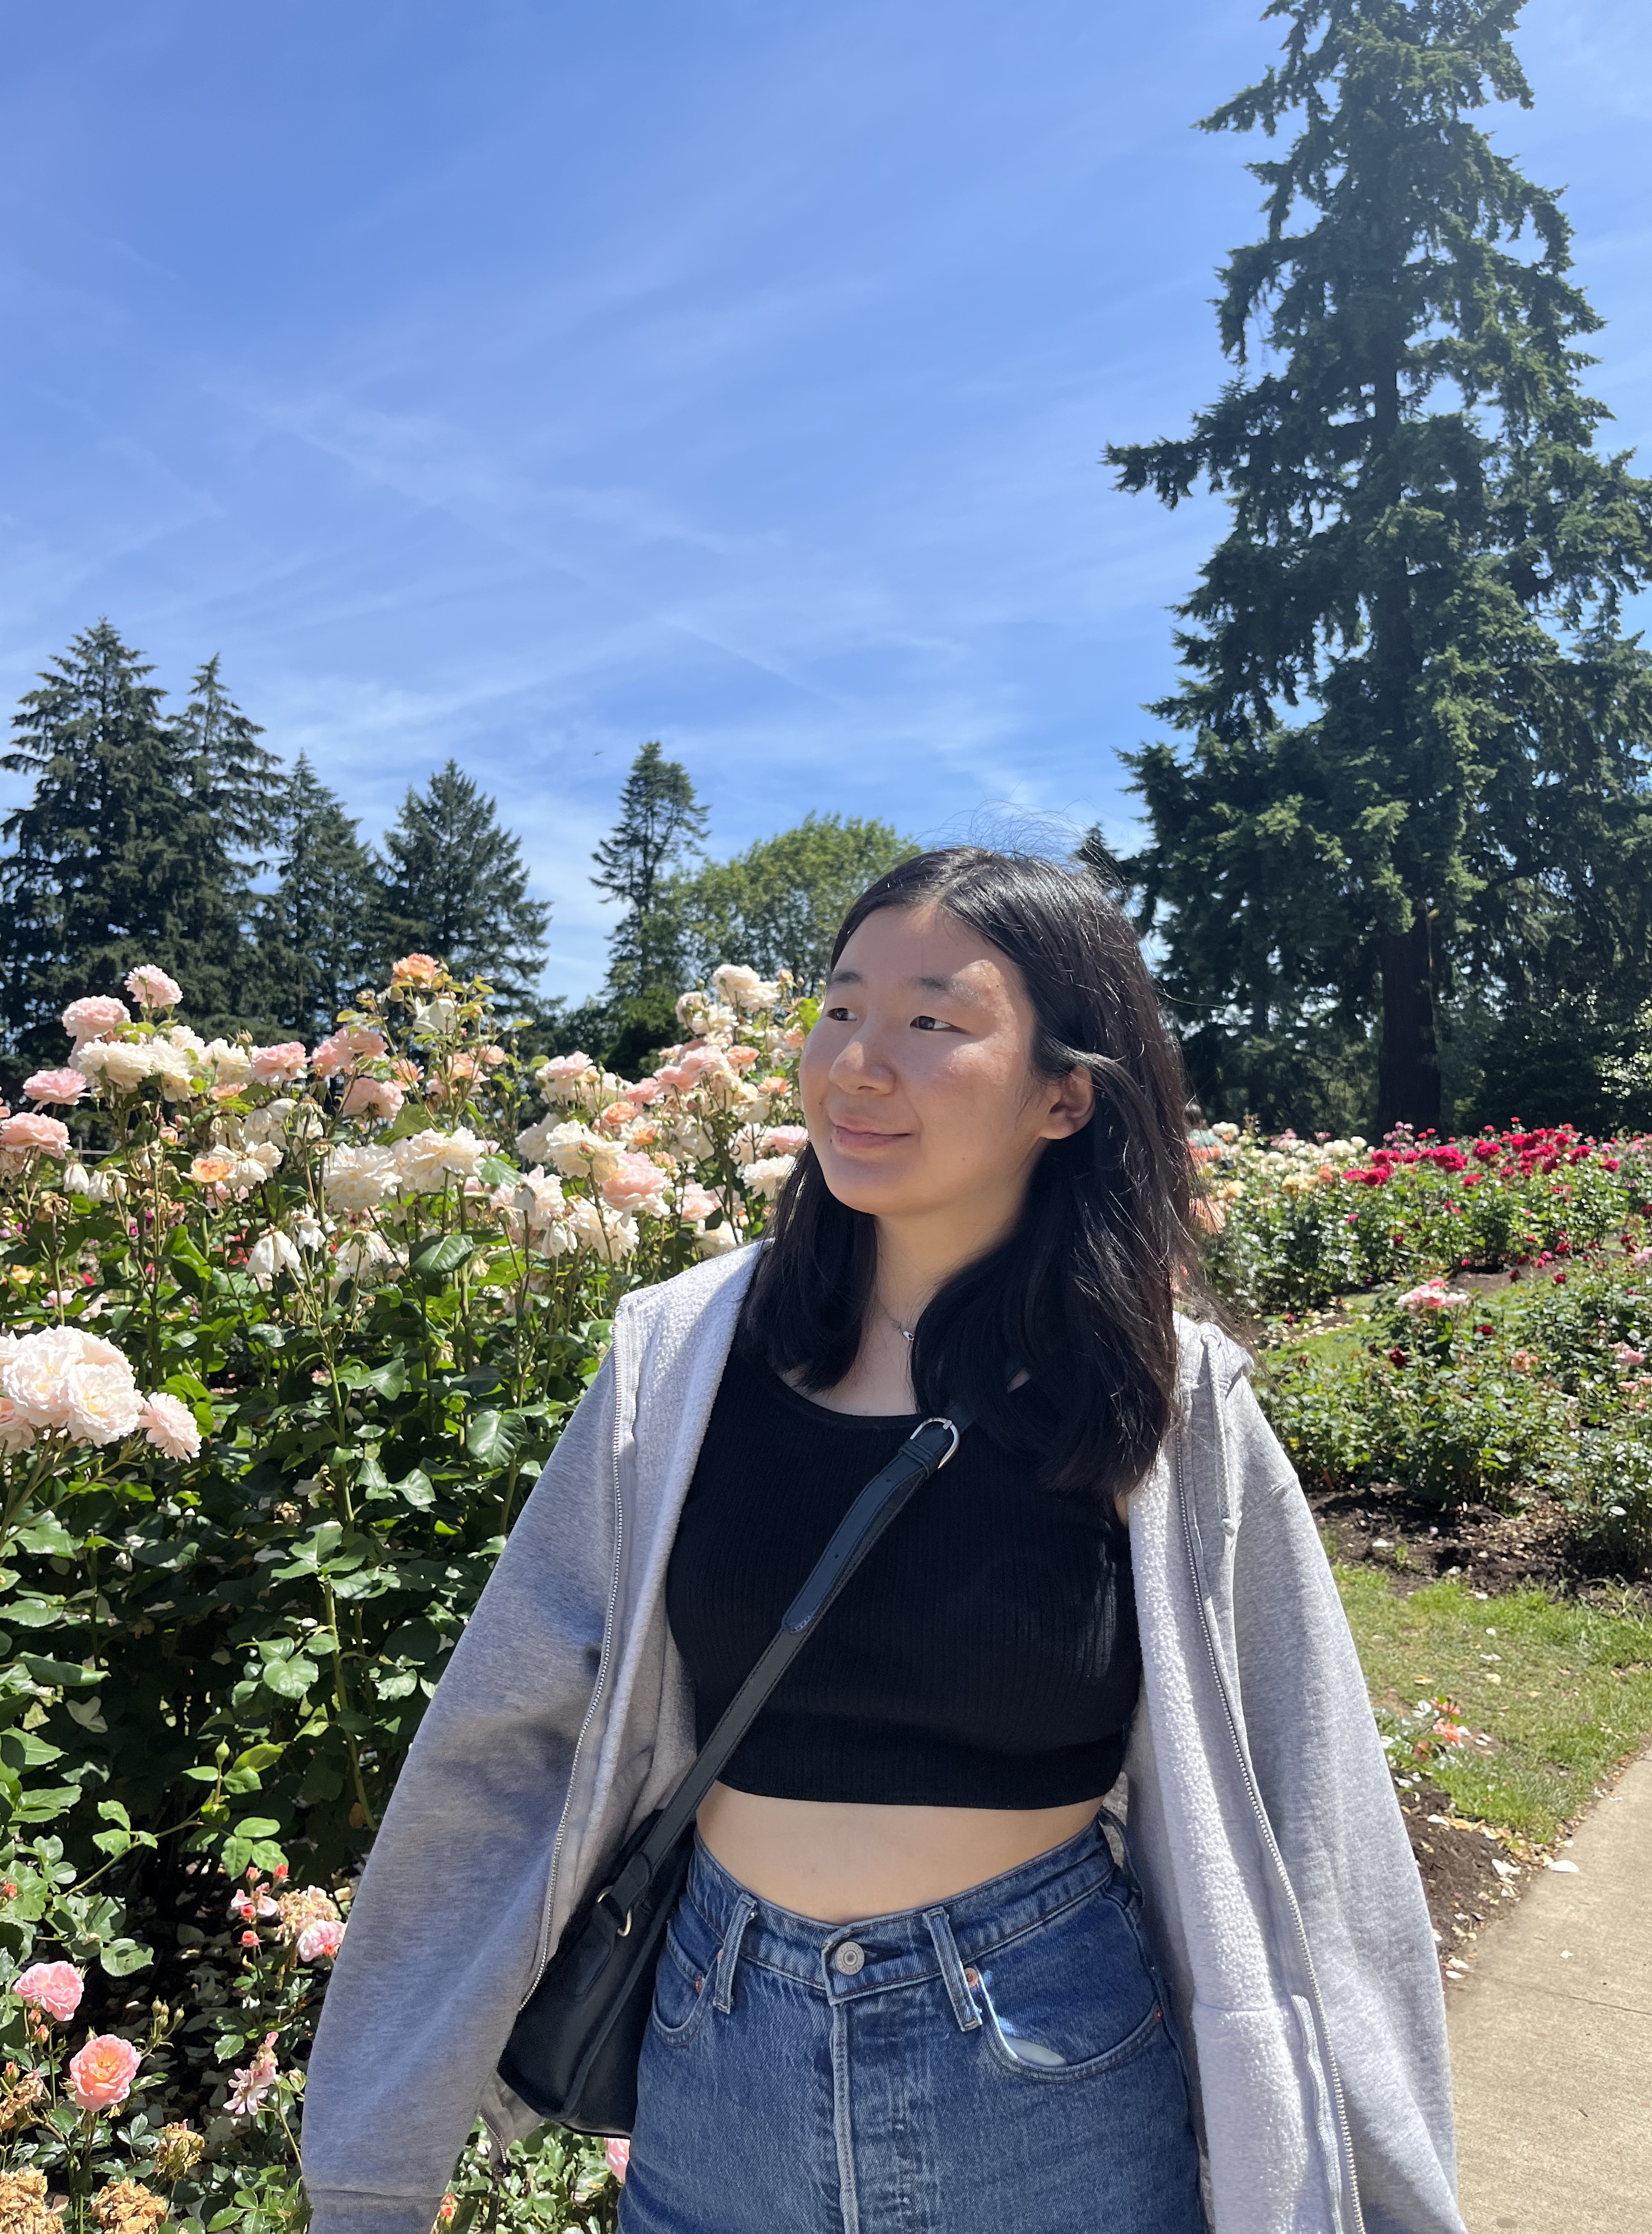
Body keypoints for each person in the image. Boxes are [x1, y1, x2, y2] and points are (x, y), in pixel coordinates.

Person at [301, 848, 1466, 2234]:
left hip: (1043, 2063)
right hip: (716, 2050)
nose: (859, 1062)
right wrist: (373, 2157)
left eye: (932, 1021)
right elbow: (502, 1740)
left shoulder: (1162, 1399)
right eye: (842, 1007)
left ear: (1064, 1094)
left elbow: (1307, 1800)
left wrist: (1386, 2190)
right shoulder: (678, 1361)